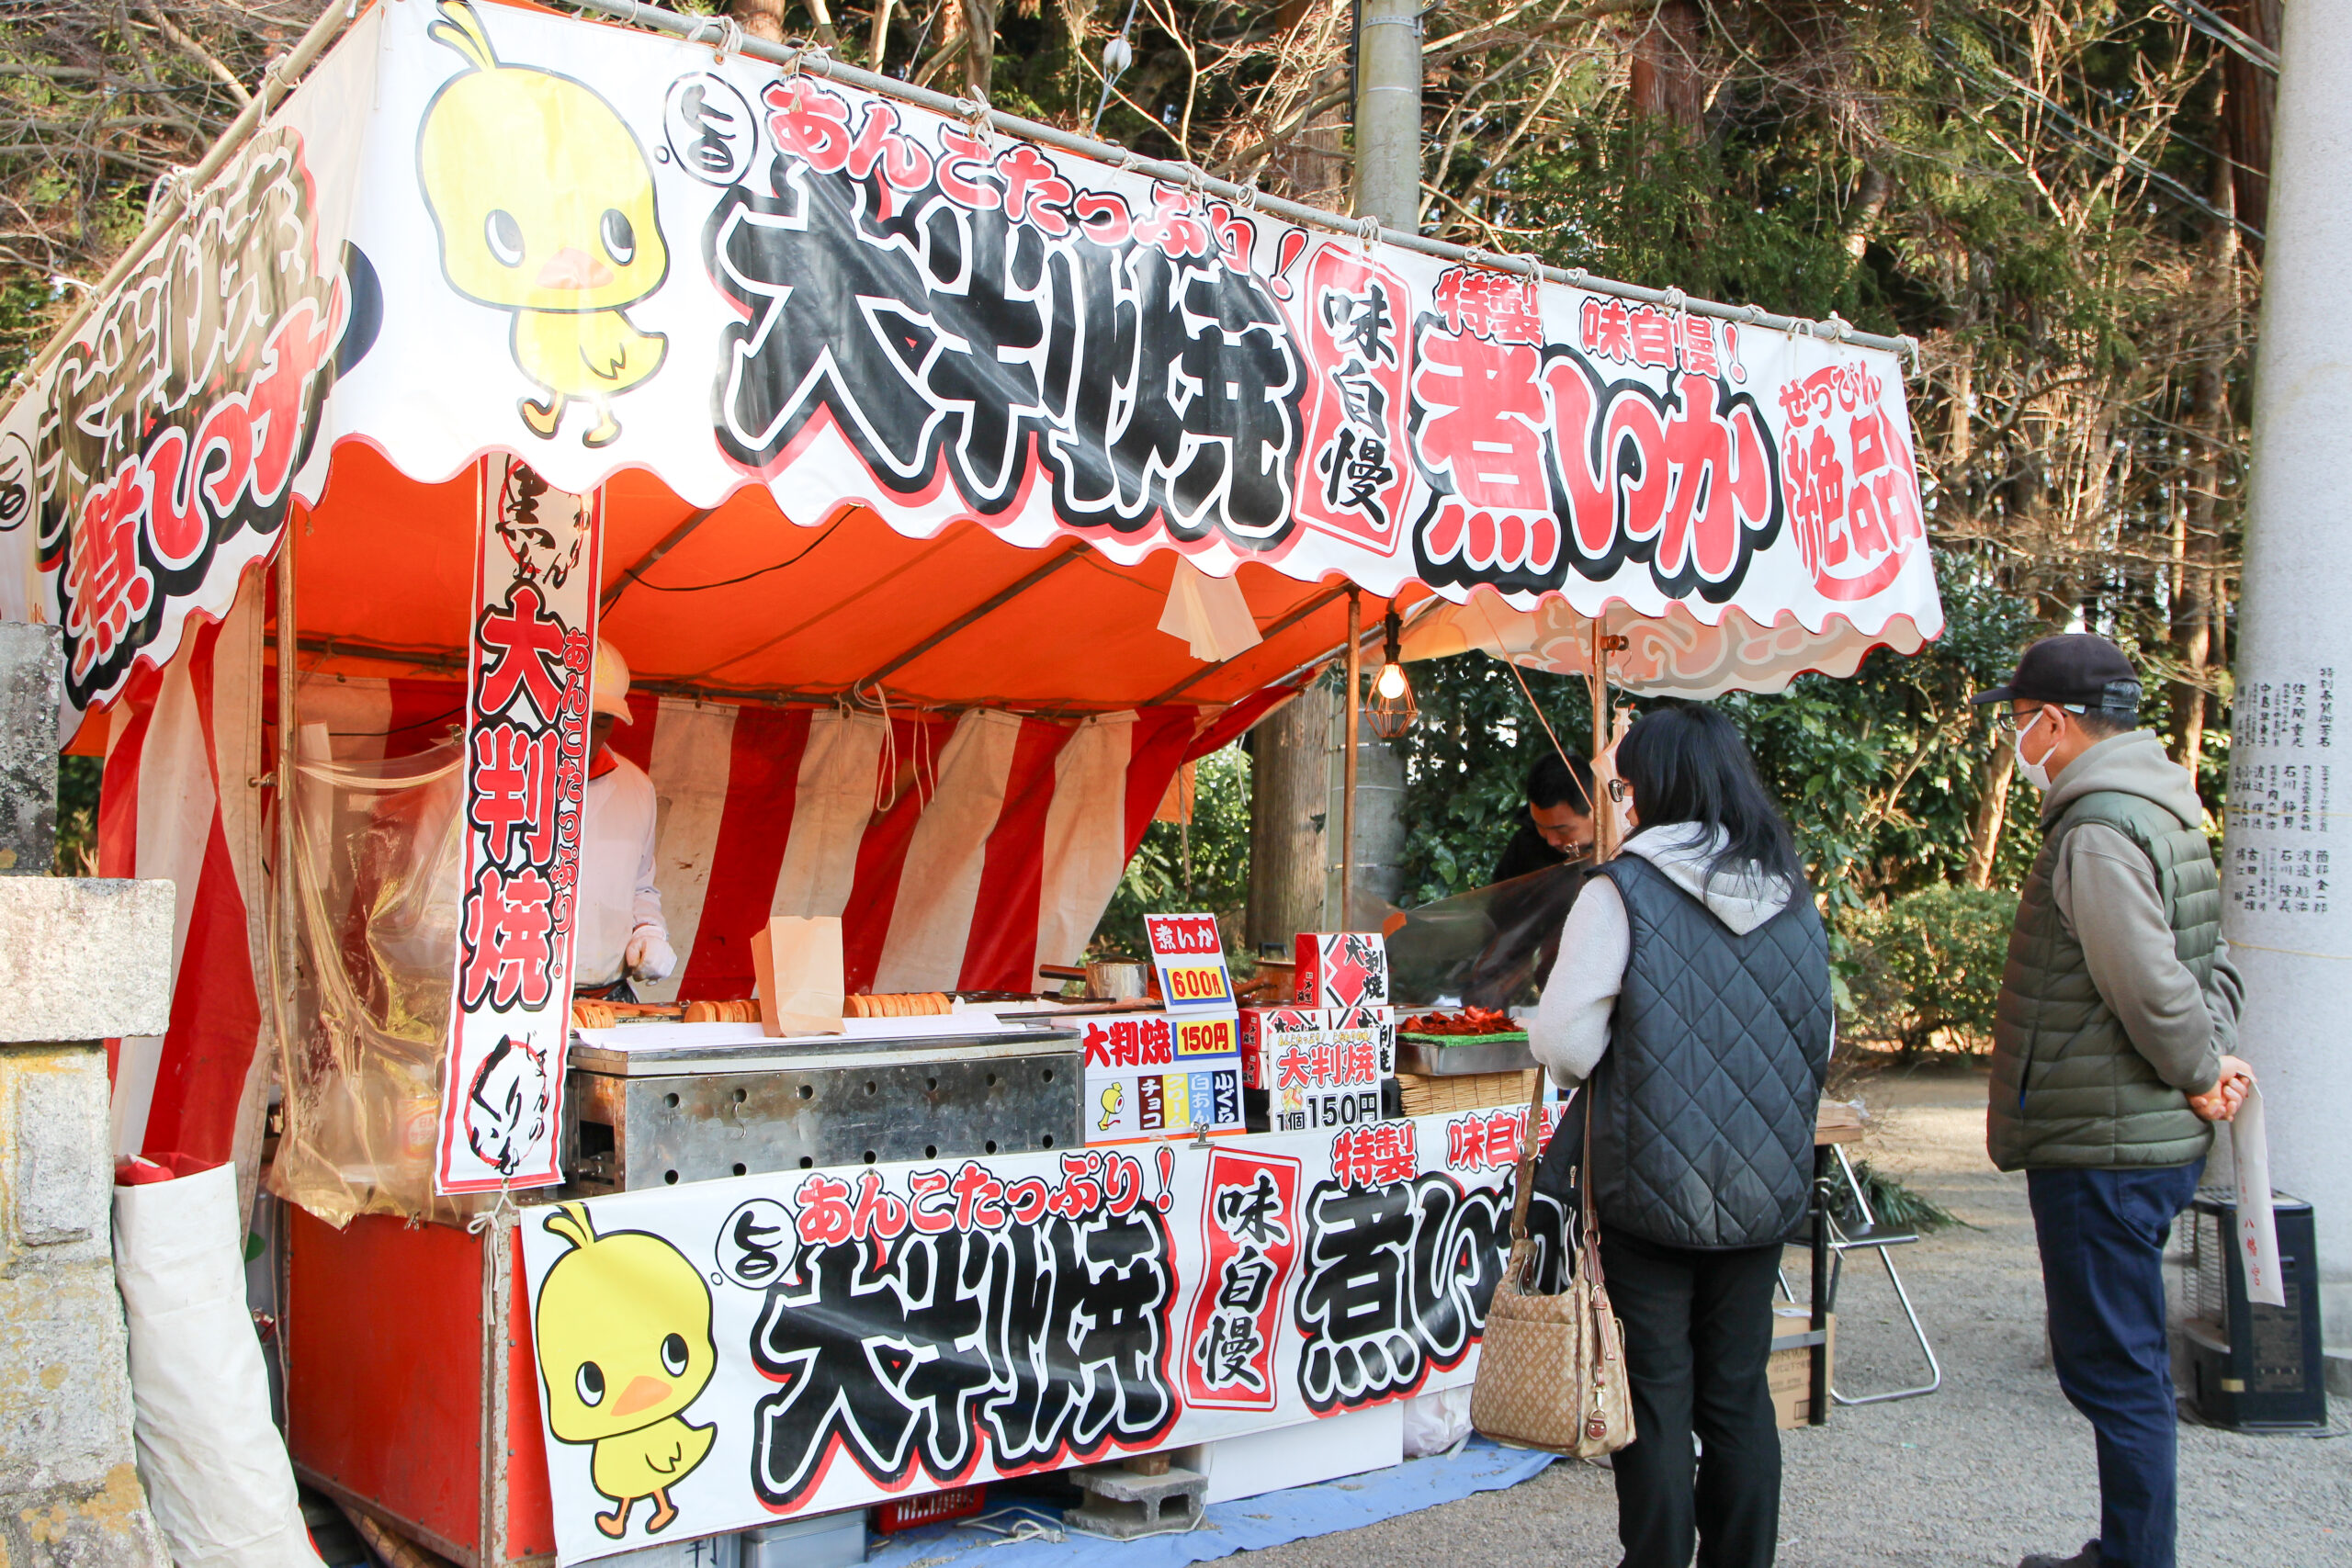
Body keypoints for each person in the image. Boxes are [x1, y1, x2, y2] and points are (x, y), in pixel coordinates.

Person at [1970, 635, 2250, 1568]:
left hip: (2105, 1139)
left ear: (2052, 721)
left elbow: (2146, 984)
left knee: (2115, 1370)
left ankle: (2137, 1559)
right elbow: (2204, 965)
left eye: (2019, 721)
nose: (2018, 737)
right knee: (2119, 1362)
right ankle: (2124, 1551)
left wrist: (2200, 1069)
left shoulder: (2094, 830)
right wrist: (2208, 1061)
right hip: (2132, 1129)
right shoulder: (2164, 808)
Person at [1530, 702, 1831, 1568]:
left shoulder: (1621, 889)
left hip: (1646, 1181)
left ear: (1651, 787)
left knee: (1656, 1395)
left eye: (1623, 783)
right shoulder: (1790, 890)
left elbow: (1563, 1042)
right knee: (1738, 1394)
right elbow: (1822, 1036)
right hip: (1763, 1186)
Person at [576, 637, 675, 999]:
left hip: (608, 994)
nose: (585, 739)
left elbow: (640, 886)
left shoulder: (636, 787)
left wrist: (649, 932)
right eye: (574, 721)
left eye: (602, 723)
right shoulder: (482, 782)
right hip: (510, 999)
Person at [1490, 750, 1598, 883]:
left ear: (1595, 810)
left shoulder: (1623, 845)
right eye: (1540, 826)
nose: (1551, 841)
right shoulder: (1526, 846)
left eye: (1562, 830)